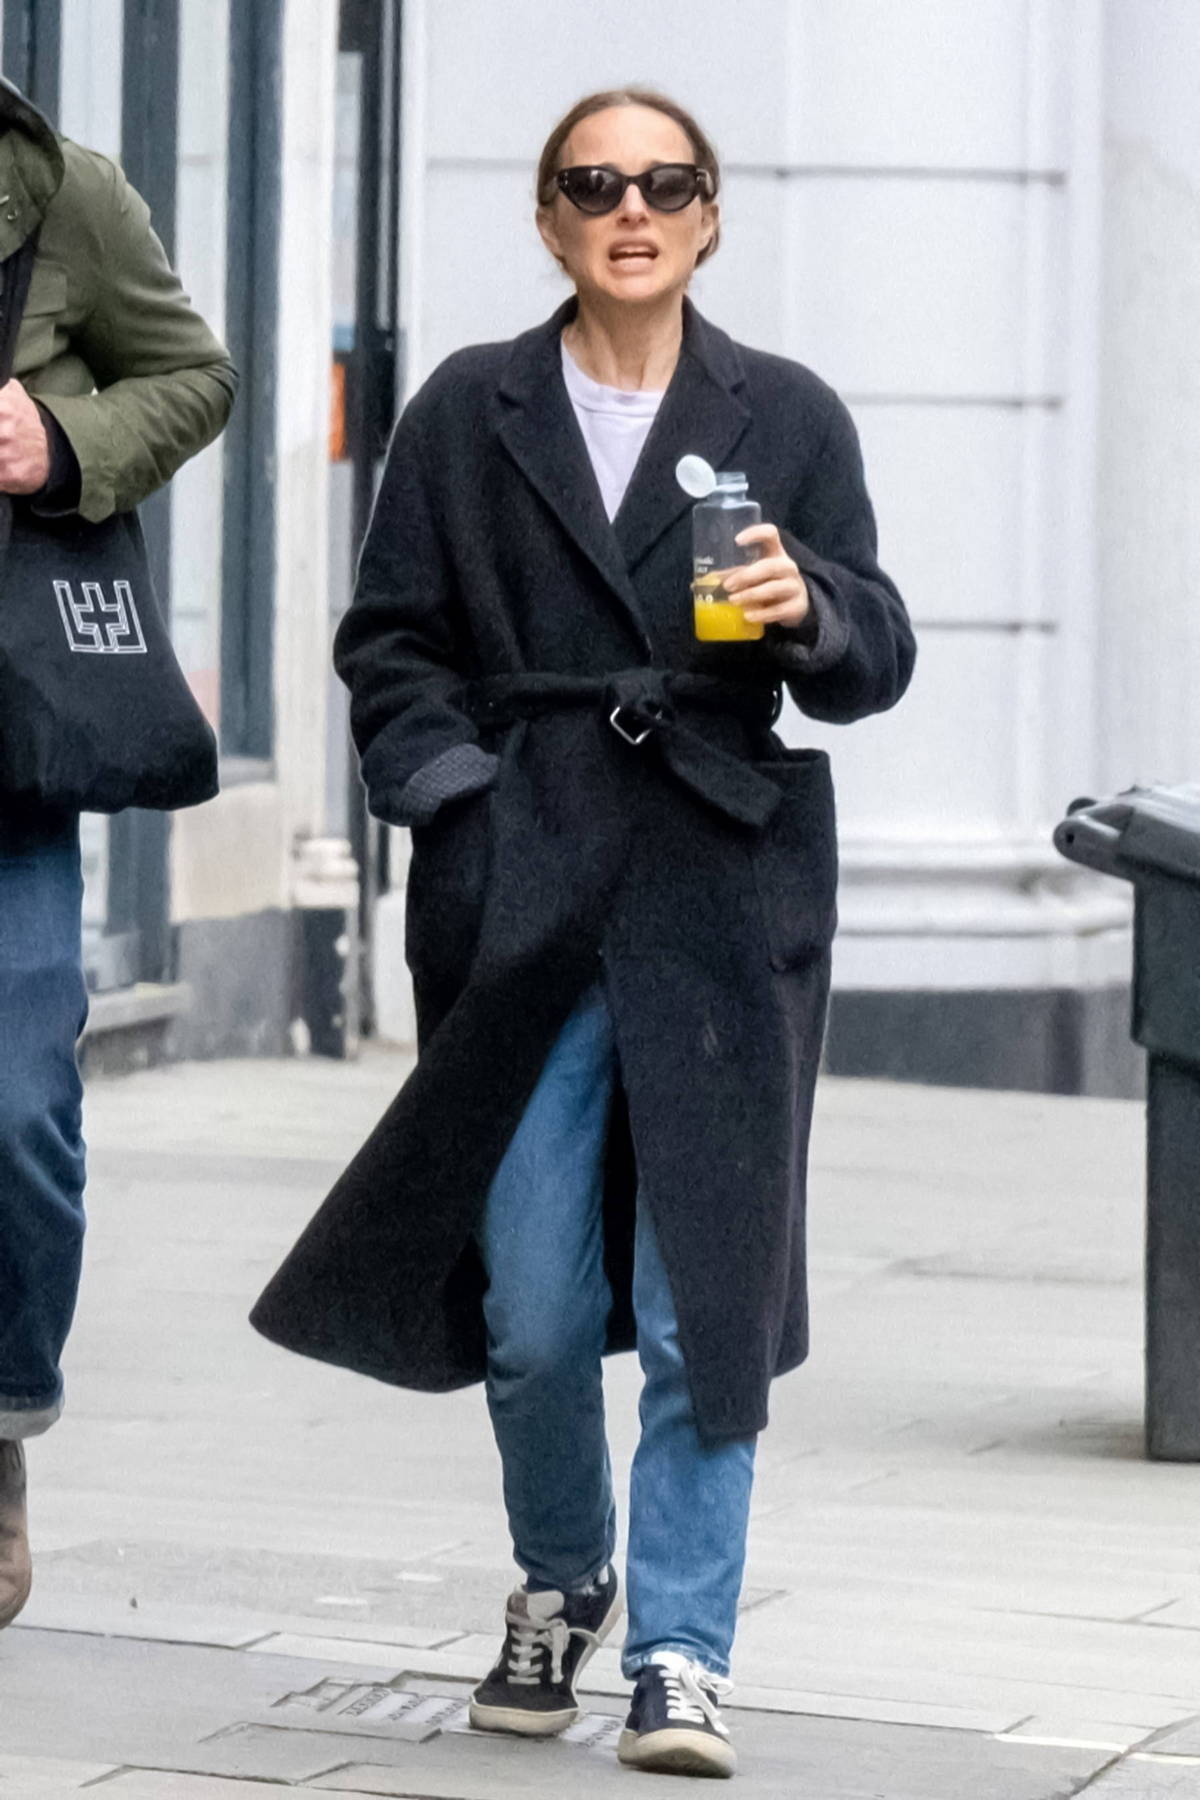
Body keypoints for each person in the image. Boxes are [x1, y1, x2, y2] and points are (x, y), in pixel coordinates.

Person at [253, 87, 914, 1779]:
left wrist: (812, 611)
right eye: (595, 183)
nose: (634, 207)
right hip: (527, 872)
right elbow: (388, 641)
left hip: (718, 868)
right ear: (550, 221)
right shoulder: (473, 411)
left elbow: (879, 647)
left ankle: (682, 1657)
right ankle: (564, 1577)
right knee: (536, 1307)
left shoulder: (790, 414)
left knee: (705, 1297)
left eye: (667, 182)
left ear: (710, 217)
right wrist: (462, 795)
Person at [0, 77, 236, 1629]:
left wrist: (57, 437)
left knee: (16, 1104)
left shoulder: (64, 189)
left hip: (4, 751)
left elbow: (195, 377)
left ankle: (1, 1416)